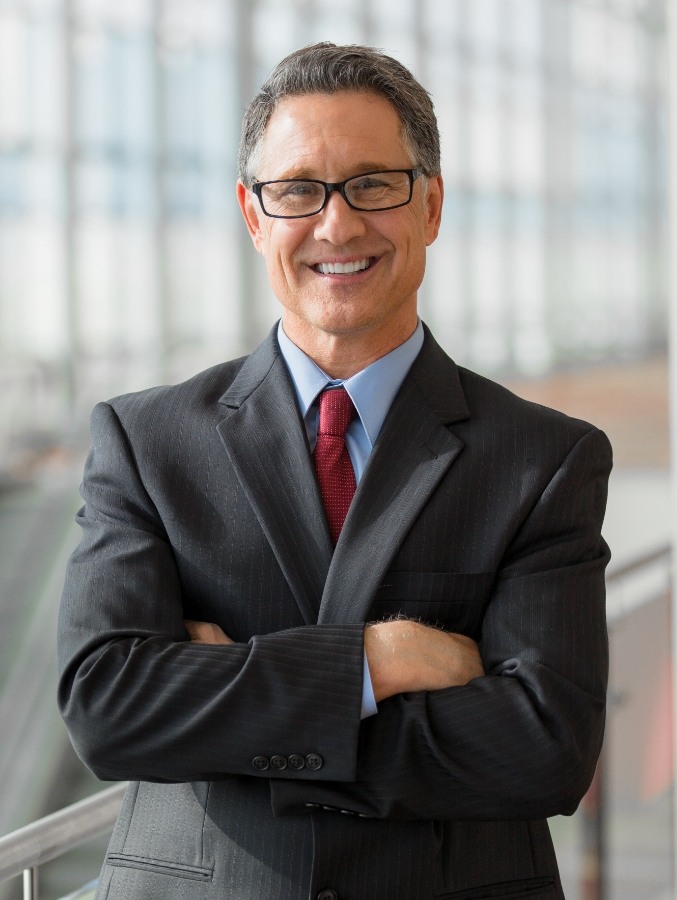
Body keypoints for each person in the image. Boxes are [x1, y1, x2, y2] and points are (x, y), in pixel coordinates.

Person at [58, 42, 612, 900]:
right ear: (252, 215)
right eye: (297, 191)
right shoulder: (146, 441)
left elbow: (544, 750)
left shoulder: (543, 458)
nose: (337, 225)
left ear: (429, 205)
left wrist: (227, 710)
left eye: (372, 184)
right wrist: (375, 663)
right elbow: (107, 708)